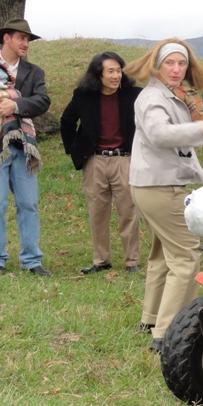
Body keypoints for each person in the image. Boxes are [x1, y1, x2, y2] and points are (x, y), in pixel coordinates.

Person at [124, 38, 203, 352]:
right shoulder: (152, 97)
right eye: (170, 63)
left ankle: (151, 317)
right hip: (159, 187)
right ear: (157, 64)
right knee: (186, 255)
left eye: (181, 63)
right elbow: (158, 134)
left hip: (152, 184)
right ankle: (167, 332)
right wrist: (202, 128)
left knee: (162, 254)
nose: (176, 69)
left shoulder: (167, 94)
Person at [0, 18, 51, 276]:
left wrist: (14, 106)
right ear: (7, 39)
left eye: (28, 39)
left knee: (29, 203)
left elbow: (42, 101)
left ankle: (32, 260)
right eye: (21, 38)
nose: (26, 43)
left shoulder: (33, 72)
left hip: (23, 145)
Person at [60, 52, 142, 275]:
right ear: (98, 74)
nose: (116, 75)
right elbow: (66, 122)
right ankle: (101, 260)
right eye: (111, 71)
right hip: (95, 161)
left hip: (125, 159)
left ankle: (132, 261)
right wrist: (75, 151)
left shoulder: (134, 95)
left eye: (118, 70)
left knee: (128, 212)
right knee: (97, 212)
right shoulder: (83, 96)